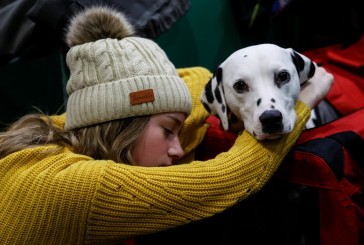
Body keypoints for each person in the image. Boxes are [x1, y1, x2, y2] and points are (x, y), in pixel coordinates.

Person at [0, 6, 333, 245]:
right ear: (122, 125)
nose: (179, 147)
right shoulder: (77, 187)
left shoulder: (78, 126)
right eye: (168, 131)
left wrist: (234, 102)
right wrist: (306, 97)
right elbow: (234, 177)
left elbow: (194, 81)